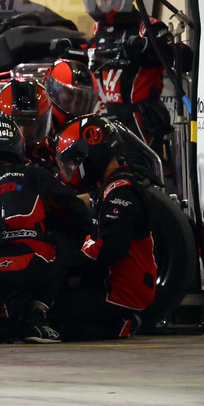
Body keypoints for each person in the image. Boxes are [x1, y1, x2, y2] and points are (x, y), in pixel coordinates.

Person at [0, 115, 92, 346]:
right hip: (32, 264)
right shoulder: (35, 175)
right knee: (63, 238)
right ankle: (37, 314)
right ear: (17, 145)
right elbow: (76, 211)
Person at [50, 115, 159, 340]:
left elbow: (111, 247)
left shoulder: (122, 191)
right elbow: (88, 202)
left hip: (120, 293)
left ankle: (120, 324)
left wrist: (68, 266)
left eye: (73, 160)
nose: (70, 168)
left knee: (54, 316)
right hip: (115, 284)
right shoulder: (113, 185)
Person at [81, 0, 182, 158]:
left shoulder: (149, 27)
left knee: (138, 174)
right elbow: (89, 53)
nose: (96, 4)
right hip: (106, 119)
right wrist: (69, 48)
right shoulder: (100, 29)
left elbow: (182, 57)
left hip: (139, 122)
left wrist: (148, 46)